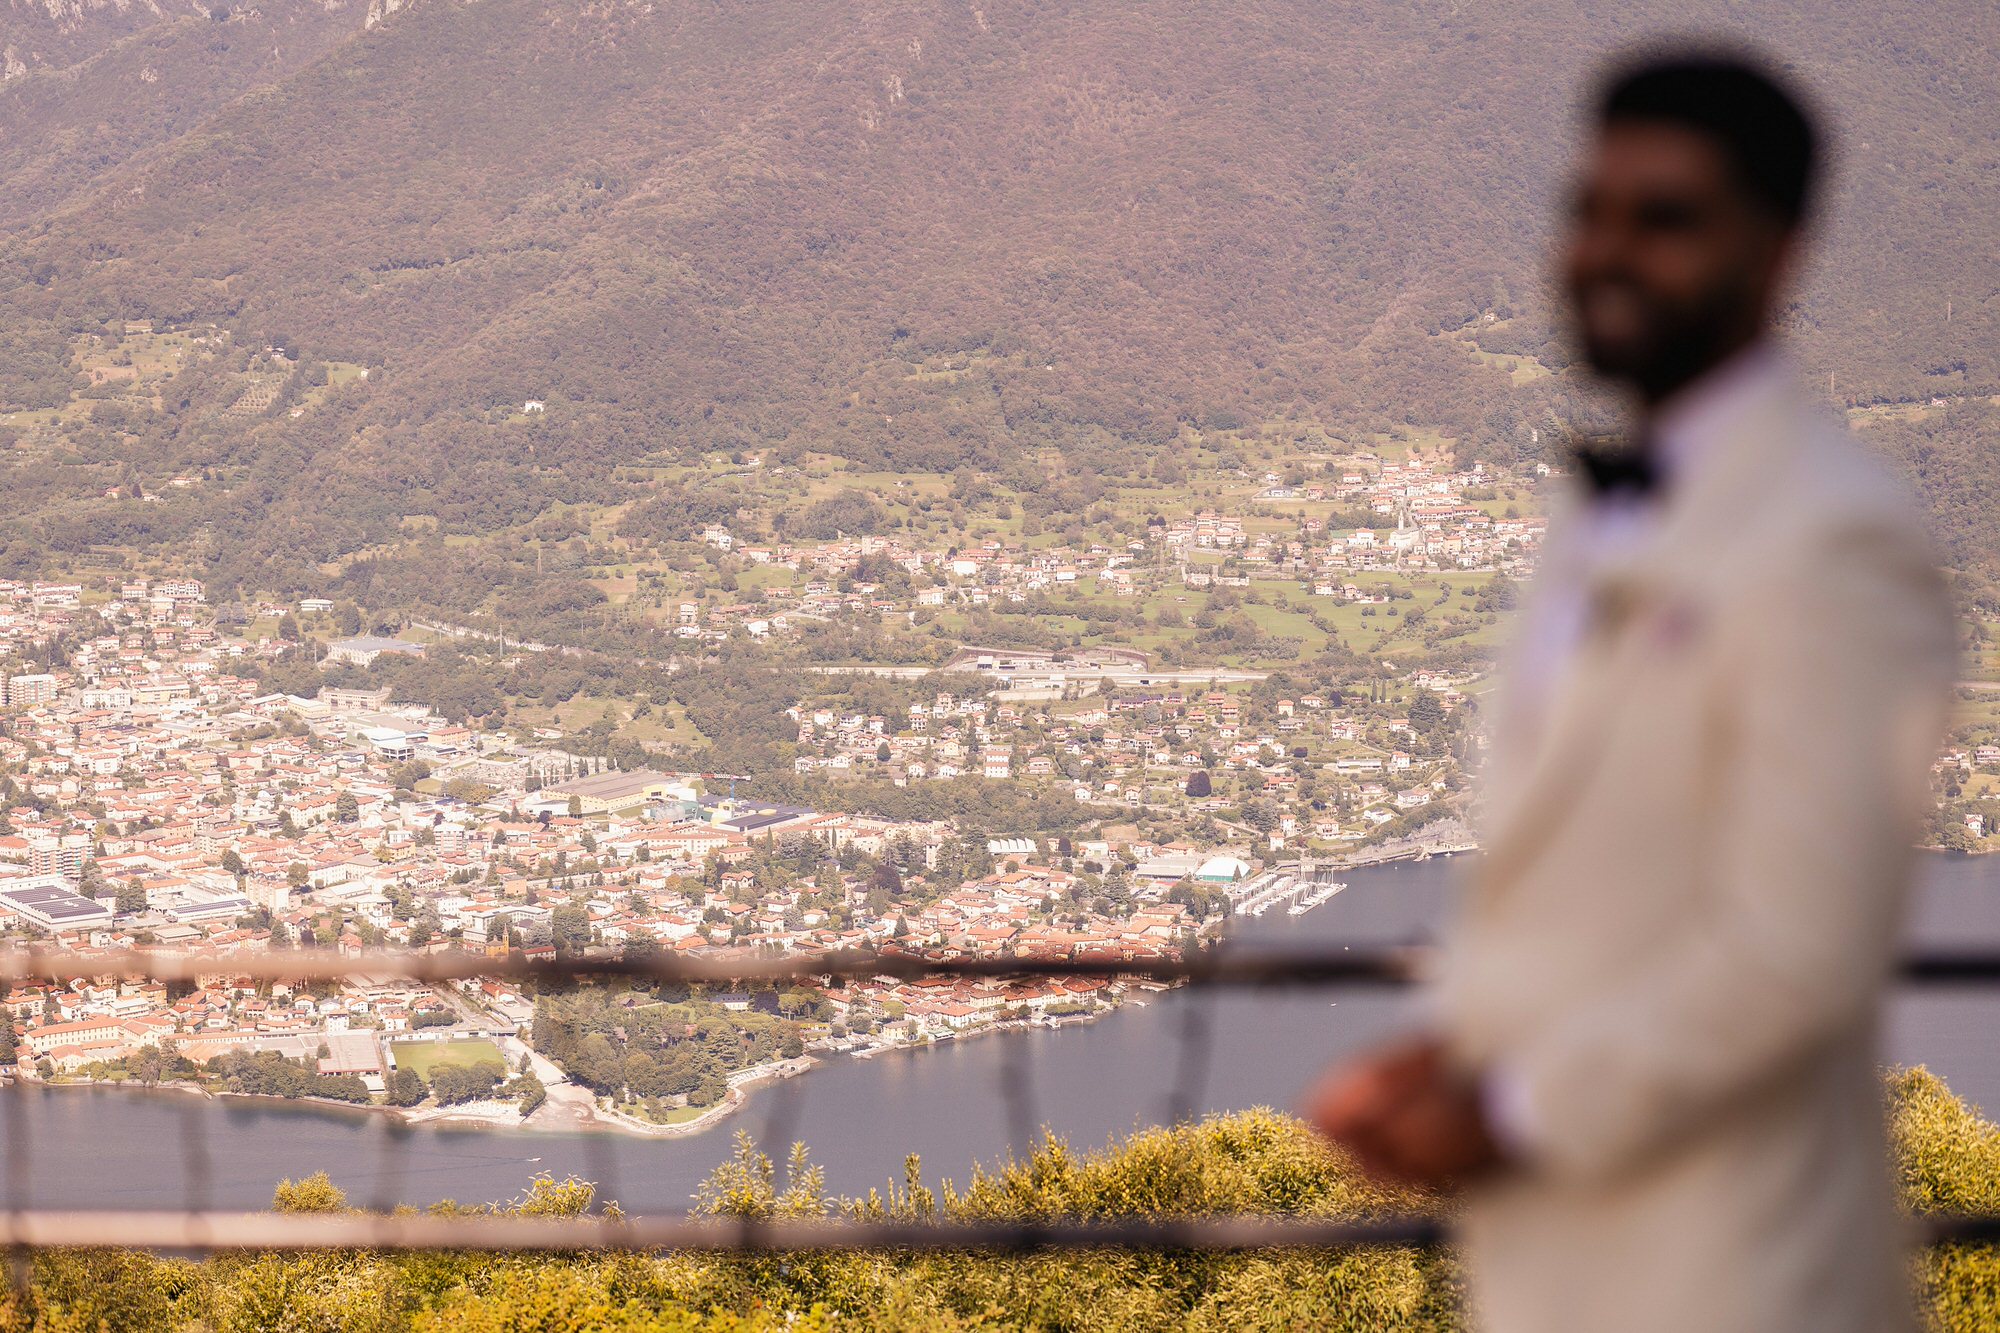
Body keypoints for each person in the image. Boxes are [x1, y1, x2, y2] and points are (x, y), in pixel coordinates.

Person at [1304, 53, 1956, 1333]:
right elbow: (1591, 889)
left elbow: (1796, 951)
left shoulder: (1832, 540)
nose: (1605, 251)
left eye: (1662, 220)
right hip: (1569, 1278)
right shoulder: (1601, 520)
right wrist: (1449, 1056)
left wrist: (1501, 1111)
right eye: (1588, 211)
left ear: (1776, 253)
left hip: (1743, 1278)